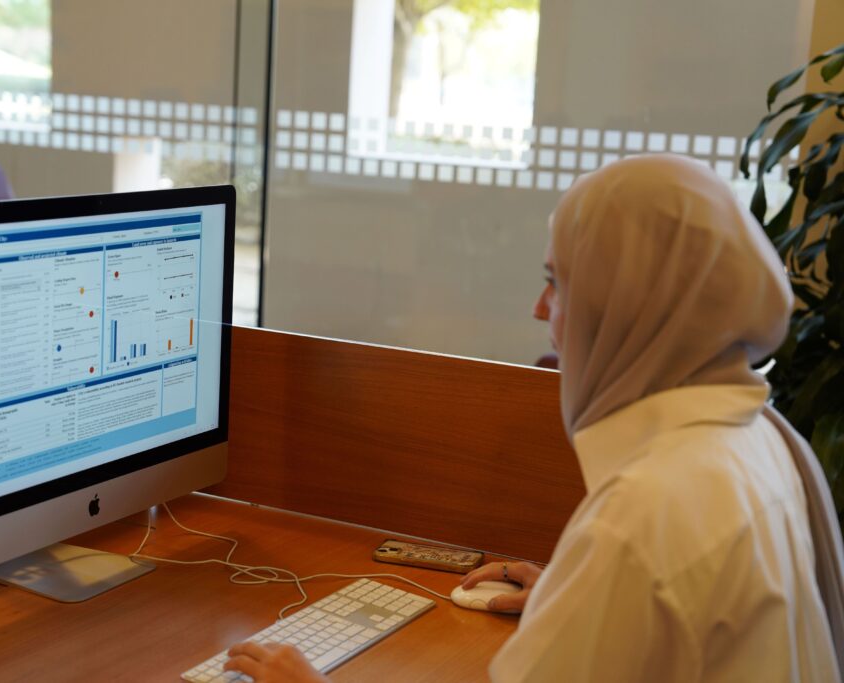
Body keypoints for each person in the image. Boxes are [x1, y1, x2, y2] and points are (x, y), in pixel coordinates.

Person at [222, 154, 844, 681]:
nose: (539, 307)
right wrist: (578, 600)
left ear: (620, 308)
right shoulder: (758, 435)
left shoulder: (644, 514)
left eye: (558, 281)